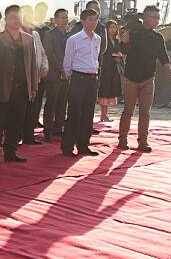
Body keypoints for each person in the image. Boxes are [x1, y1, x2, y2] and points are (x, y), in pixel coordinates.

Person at [0, 5, 40, 164]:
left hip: (21, 88)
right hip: (1, 88)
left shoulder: (28, 39)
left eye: (19, 17)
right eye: (13, 17)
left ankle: (11, 152)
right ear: (6, 19)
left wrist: (33, 87)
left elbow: (32, 64)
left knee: (16, 122)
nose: (16, 20)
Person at [117, 5, 171, 153]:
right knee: (128, 110)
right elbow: (123, 51)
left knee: (145, 112)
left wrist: (170, 74)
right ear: (145, 18)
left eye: (158, 18)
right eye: (154, 18)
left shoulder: (158, 38)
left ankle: (143, 141)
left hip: (148, 79)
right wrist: (125, 41)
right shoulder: (133, 33)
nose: (157, 21)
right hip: (131, 78)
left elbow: (164, 57)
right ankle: (122, 139)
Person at [60, 9, 102, 157]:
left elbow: (96, 58)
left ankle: (83, 145)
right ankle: (67, 146)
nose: (93, 23)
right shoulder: (74, 39)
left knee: (88, 114)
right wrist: (70, 77)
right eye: (90, 19)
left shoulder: (97, 39)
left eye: (95, 20)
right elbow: (67, 61)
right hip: (78, 78)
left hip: (92, 79)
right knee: (74, 114)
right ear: (83, 21)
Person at [42, 8, 72, 142]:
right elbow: (50, 54)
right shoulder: (49, 34)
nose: (64, 20)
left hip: (67, 74)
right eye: (62, 17)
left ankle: (58, 128)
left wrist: (68, 70)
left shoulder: (70, 36)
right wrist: (61, 70)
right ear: (55, 20)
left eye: (66, 18)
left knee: (62, 103)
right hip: (54, 74)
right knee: (51, 104)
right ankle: (47, 130)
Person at [20, 25, 48, 144]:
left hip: (38, 77)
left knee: (34, 108)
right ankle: (18, 136)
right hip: (24, 79)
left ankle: (29, 135)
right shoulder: (18, 34)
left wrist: (45, 67)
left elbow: (42, 53)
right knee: (23, 109)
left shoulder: (36, 34)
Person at [97, 19, 123, 122]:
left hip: (113, 69)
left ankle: (105, 114)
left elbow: (118, 51)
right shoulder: (104, 40)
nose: (113, 30)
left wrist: (119, 57)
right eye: (111, 27)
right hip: (105, 68)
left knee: (110, 91)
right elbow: (102, 54)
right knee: (104, 90)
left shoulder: (116, 40)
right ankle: (103, 114)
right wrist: (113, 57)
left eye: (114, 27)